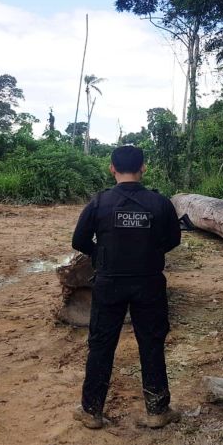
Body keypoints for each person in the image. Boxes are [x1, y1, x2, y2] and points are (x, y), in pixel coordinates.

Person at [71, 145, 182, 430]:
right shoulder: (160, 203)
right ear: (143, 167)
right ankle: (157, 410)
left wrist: (100, 253)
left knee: (101, 344)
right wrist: (149, 250)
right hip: (149, 283)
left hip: (109, 284)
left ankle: (92, 411)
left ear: (112, 168)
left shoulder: (99, 203)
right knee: (152, 343)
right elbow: (172, 240)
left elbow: (79, 241)